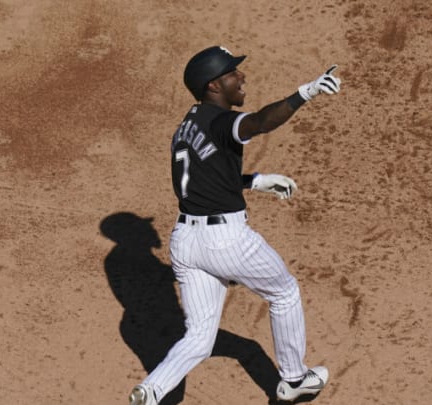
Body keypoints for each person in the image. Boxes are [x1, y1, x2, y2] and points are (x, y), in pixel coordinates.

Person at [129, 45, 341, 405]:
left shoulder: (186, 126)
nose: (241, 77)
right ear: (214, 85)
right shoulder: (223, 121)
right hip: (225, 240)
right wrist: (306, 92)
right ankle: (293, 379)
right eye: (233, 73)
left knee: (199, 336)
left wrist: (255, 180)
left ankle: (150, 391)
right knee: (284, 292)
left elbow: (203, 178)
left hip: (186, 241)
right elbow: (260, 122)